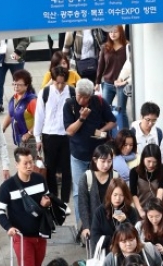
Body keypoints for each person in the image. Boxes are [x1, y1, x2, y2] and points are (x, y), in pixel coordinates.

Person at [63, 79, 117, 227]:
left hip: (97, 156)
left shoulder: (99, 102)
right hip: (78, 155)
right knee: (79, 191)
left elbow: (113, 121)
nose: (82, 100)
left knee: (99, 190)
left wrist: (103, 130)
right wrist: (82, 118)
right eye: (79, 95)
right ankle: (82, 228)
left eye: (86, 97)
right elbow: (69, 131)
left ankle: (99, 224)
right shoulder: (69, 105)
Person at [0, 147, 52, 266]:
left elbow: (48, 198)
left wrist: (48, 202)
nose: (29, 166)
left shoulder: (40, 179)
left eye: (31, 162)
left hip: (41, 235)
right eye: (25, 163)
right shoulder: (7, 186)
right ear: (17, 164)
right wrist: (8, 227)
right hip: (21, 237)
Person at [33, 66, 75, 202]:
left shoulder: (71, 92)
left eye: (63, 82)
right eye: (57, 82)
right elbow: (39, 116)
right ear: (52, 80)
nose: (60, 86)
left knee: (67, 169)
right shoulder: (45, 92)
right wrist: (37, 138)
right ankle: (53, 198)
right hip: (49, 134)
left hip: (66, 135)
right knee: (50, 169)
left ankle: (64, 200)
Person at [79, 144, 119, 246]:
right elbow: (83, 205)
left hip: (112, 225)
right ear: (95, 160)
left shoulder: (115, 176)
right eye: (103, 161)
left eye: (109, 161)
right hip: (94, 225)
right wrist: (86, 226)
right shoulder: (86, 177)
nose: (106, 165)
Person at [96, 25, 131, 129]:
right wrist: (97, 82)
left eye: (115, 31)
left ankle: (125, 133)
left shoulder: (127, 47)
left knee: (121, 109)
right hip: (108, 83)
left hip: (122, 84)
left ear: (121, 32)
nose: (113, 34)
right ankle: (105, 132)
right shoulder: (105, 47)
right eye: (110, 32)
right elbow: (100, 65)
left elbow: (130, 65)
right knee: (104, 108)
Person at [91, 178, 139, 251]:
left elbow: (135, 235)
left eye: (121, 195)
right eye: (115, 195)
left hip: (127, 250)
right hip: (106, 250)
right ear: (110, 194)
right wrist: (114, 242)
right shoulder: (100, 212)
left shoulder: (131, 211)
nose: (117, 199)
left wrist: (125, 221)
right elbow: (95, 236)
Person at [0, 37, 30, 115]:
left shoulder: (15, 25)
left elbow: (25, 39)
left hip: (16, 59)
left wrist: (18, 51)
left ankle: (21, 103)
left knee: (20, 82)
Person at [3, 69, 38, 156]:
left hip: (30, 140)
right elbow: (11, 114)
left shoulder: (31, 100)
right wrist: (2, 129)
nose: (16, 87)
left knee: (29, 164)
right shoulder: (14, 98)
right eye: (14, 84)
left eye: (19, 85)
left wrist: (29, 133)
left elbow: (41, 120)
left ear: (27, 85)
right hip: (19, 137)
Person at [130, 144, 163, 219]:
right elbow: (133, 193)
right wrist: (140, 210)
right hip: (141, 208)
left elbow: (161, 189)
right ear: (143, 159)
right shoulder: (134, 172)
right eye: (148, 161)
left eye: (155, 162)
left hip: (158, 209)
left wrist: (155, 209)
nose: (151, 165)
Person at [130, 102, 163, 170]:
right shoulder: (132, 134)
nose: (150, 124)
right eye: (148, 120)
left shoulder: (159, 134)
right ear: (141, 116)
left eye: (154, 121)